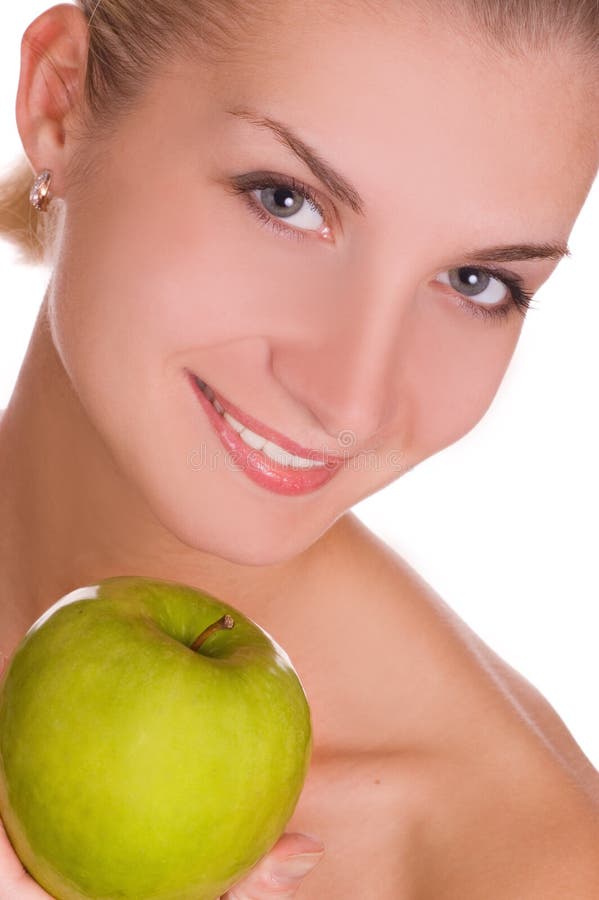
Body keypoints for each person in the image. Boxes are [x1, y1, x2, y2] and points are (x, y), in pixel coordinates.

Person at [0, 0, 598, 896]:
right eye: (288, 202)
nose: (351, 400)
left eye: (477, 282)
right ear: (62, 100)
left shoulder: (512, 867)